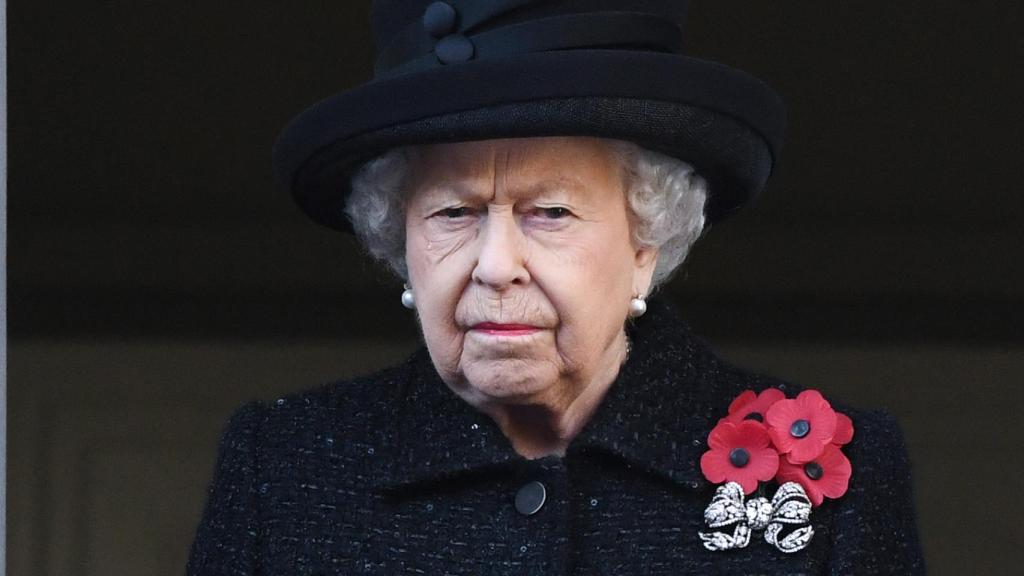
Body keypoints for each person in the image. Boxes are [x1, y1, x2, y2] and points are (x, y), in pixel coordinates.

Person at [187, 1, 926, 574]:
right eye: (453, 213)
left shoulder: (842, 481)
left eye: (549, 212)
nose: (494, 264)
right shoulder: (283, 468)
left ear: (647, 242)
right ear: (399, 241)